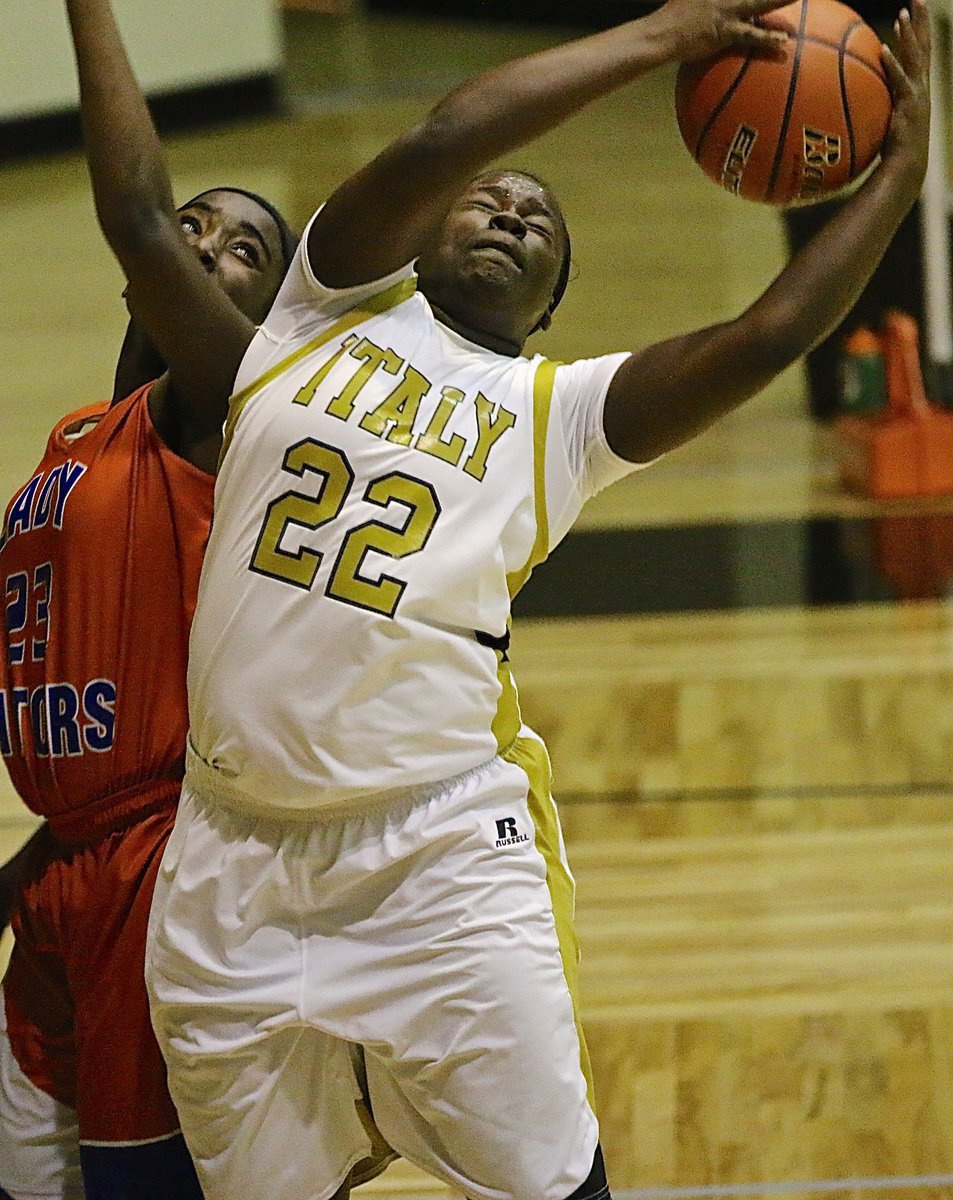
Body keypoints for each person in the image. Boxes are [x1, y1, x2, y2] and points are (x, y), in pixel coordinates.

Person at [144, 1, 932, 1198]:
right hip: (228, 855)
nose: (512, 210)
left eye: (542, 223)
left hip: (436, 851)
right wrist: (661, 38)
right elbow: (446, 133)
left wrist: (902, 173)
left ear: (555, 304)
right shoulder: (321, 304)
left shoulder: (556, 418)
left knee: (554, 1186)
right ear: (421, 235)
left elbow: (769, 330)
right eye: (491, 199)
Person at [0, 0, 302, 1193]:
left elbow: (130, 207)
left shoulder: (231, 417)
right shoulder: (79, 433)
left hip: (158, 876)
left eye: (241, 249)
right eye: (195, 228)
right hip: (65, 870)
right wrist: (34, 856)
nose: (200, 247)